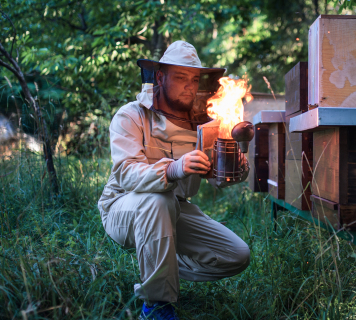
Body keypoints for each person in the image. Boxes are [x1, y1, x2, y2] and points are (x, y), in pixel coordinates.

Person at [98, 41, 250, 320]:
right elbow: (126, 172)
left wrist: (235, 165)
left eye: (194, 79)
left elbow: (221, 179)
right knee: (158, 200)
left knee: (236, 255)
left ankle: (160, 267)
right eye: (180, 77)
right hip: (123, 207)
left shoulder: (204, 126)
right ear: (160, 77)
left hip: (175, 207)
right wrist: (172, 169)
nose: (189, 86)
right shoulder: (130, 115)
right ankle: (156, 305)